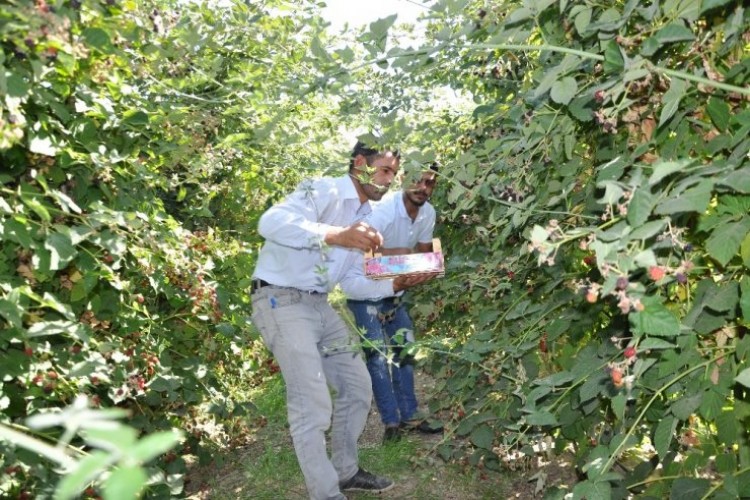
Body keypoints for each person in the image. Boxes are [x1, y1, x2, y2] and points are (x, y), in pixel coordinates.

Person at [250, 142, 431, 500]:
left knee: (358, 388)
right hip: (279, 299)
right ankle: (326, 493)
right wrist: (334, 234)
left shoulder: (366, 217)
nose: (388, 180)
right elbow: (269, 222)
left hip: (319, 305)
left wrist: (394, 283)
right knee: (312, 403)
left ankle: (346, 472)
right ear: (360, 163)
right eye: (383, 170)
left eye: (393, 174)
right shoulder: (323, 189)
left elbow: (350, 282)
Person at [341, 165, 443, 443]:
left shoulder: (428, 213)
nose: (424, 188)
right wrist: (402, 258)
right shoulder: (384, 210)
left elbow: (423, 256)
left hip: (397, 292)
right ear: (403, 180)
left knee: (405, 351)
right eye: (419, 181)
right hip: (365, 292)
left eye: (430, 184)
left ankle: (410, 416)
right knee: (377, 357)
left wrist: (426, 268)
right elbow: (367, 257)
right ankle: (391, 422)